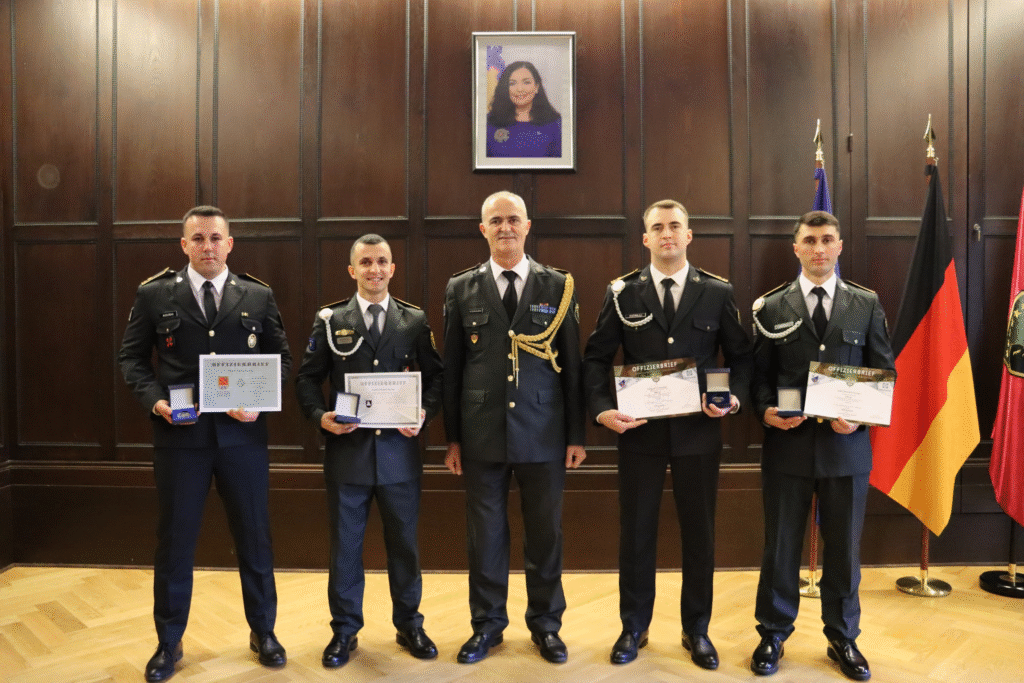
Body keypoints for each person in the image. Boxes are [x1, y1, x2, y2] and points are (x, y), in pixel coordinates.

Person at [118, 206, 292, 682]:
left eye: (216, 238)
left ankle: (264, 632)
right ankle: (168, 643)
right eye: (198, 238)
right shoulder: (155, 294)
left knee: (255, 539)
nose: (208, 246)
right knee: (175, 543)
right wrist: (156, 403)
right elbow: (132, 359)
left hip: (243, 439)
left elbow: (281, 360)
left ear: (230, 244)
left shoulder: (257, 295)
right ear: (184, 245)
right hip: (181, 439)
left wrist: (260, 402)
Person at [582, 199, 753, 669]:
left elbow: (742, 358)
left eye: (675, 226)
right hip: (640, 435)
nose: (667, 235)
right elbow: (596, 358)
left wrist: (732, 399)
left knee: (699, 533)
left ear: (689, 235)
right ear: (645, 238)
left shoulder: (717, 293)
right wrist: (601, 412)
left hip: (699, 433)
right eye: (657, 228)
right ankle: (633, 627)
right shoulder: (622, 293)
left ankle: (696, 629)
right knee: (636, 534)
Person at [749, 211, 895, 681]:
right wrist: (766, 410)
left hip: (846, 450)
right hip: (787, 449)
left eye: (826, 239)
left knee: (844, 552)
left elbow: (884, 374)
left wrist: (860, 419)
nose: (818, 248)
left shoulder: (864, 304)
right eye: (809, 240)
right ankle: (772, 633)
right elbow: (758, 379)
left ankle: (843, 636)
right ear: (796, 248)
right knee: (780, 548)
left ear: (839, 245)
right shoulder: (771, 307)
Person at [443, 191, 586, 664]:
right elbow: (454, 368)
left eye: (513, 220)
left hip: (544, 431)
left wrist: (576, 436)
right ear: (482, 229)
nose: (505, 227)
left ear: (529, 226)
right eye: (495, 220)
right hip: (482, 429)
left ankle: (546, 626)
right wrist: (453, 438)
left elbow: (573, 364)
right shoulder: (460, 288)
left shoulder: (559, 285)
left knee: (545, 534)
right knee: (485, 536)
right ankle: (487, 625)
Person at [294, 234, 444, 668]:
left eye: (382, 262)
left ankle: (410, 625)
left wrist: (423, 412)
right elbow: (307, 378)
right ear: (352, 270)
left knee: (405, 547)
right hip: (348, 454)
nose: (374, 270)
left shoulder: (413, 321)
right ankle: (344, 632)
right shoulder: (330, 319)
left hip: (399, 454)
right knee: (345, 549)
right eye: (365, 263)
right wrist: (319, 416)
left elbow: (435, 378)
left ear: (392, 269)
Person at [486, 61, 562, 158]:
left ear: (537, 87)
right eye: (512, 83)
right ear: (506, 88)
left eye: (526, 82)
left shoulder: (556, 124)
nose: (520, 89)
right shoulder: (488, 122)